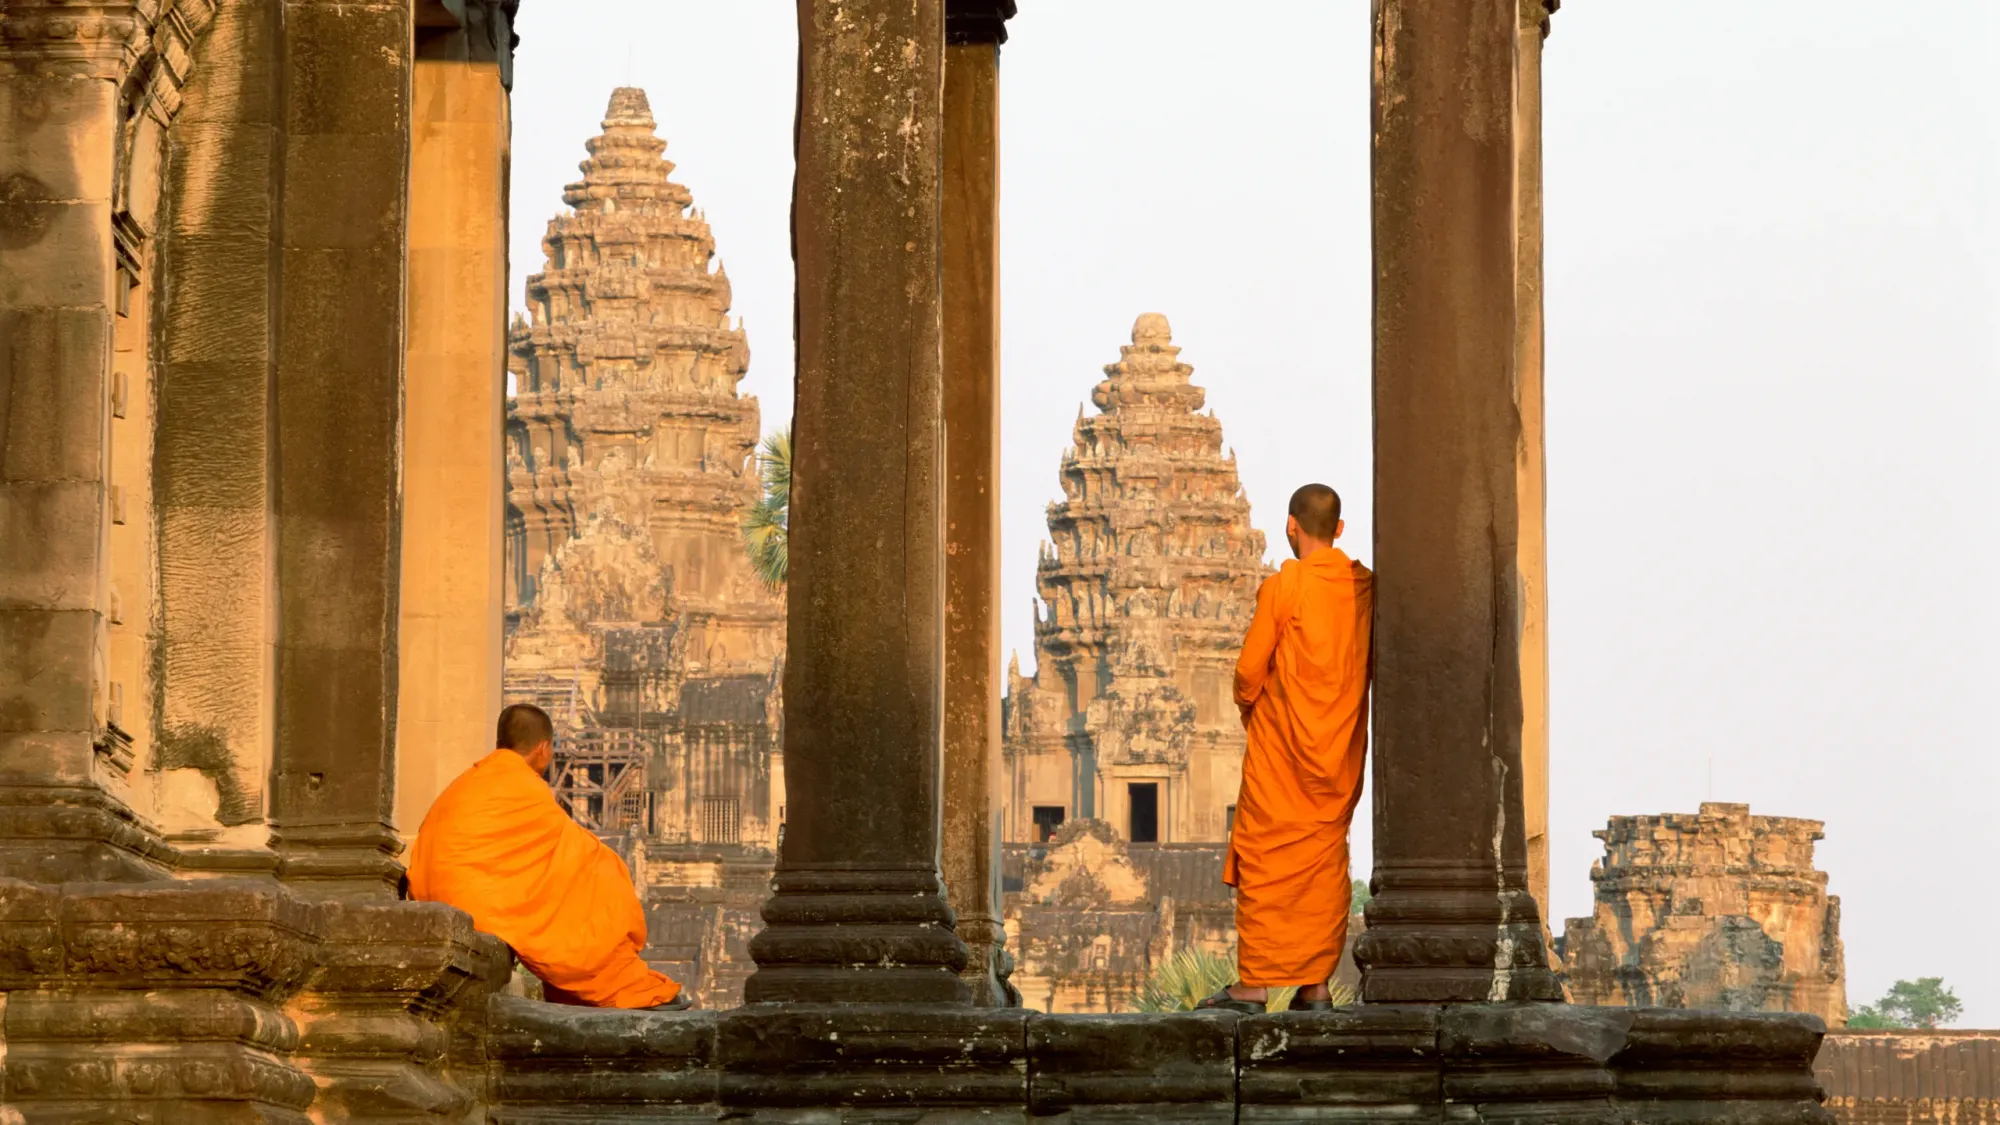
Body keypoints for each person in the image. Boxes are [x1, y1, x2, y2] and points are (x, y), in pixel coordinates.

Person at [1199, 483, 1373, 1014]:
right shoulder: (1364, 588)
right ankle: (1315, 986)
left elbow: (1250, 669)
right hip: (1337, 751)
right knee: (1324, 863)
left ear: (1291, 528)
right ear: (1339, 529)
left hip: (1283, 751)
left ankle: (1255, 985)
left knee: (1265, 857)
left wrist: (1255, 710)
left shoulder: (1285, 585)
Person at [408, 704, 689, 1011]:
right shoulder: (523, 785)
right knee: (600, 868)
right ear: (543, 747)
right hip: (470, 900)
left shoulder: (465, 783)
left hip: (431, 894)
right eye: (552, 748)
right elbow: (566, 850)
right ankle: (623, 983)